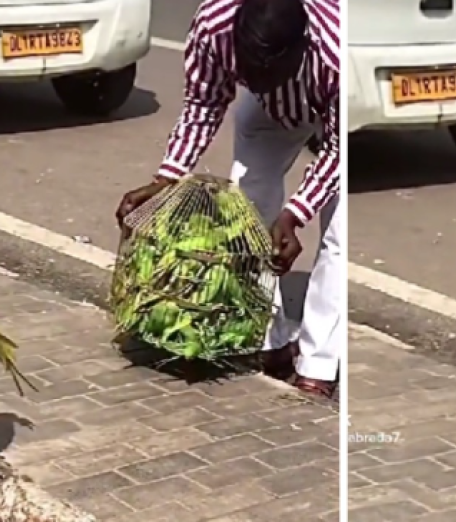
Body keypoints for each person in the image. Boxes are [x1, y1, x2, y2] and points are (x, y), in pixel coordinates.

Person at [115, 0, 342, 397]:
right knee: (248, 215)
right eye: (251, 69)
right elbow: (203, 105)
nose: (261, 78)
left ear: (301, 45)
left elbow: (338, 150)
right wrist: (167, 178)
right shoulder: (213, 25)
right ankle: (270, 341)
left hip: (335, 109)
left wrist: (294, 214)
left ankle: (318, 366)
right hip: (270, 112)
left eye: (271, 71)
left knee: (340, 235)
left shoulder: (335, 48)